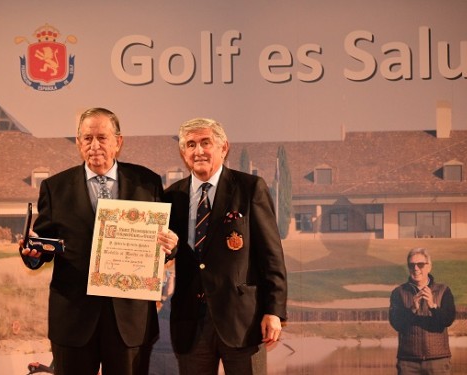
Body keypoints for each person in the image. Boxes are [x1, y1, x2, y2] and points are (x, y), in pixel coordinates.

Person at [20, 107, 178, 375]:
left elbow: (160, 246)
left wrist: (169, 247)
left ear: (119, 142)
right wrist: (33, 254)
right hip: (73, 319)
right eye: (86, 138)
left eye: (102, 138)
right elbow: (44, 245)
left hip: (129, 320)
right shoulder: (55, 187)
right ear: (79, 143)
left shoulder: (147, 182)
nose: (94, 146)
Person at [164, 117, 288, 375]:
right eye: (190, 144)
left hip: (243, 323)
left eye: (205, 142)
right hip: (190, 323)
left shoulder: (250, 188)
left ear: (224, 148)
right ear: (183, 153)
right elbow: (169, 252)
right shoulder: (171, 196)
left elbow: (271, 257)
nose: (198, 151)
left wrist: (274, 311)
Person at [389, 248, 456, 375]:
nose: (416, 268)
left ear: (429, 267)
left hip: (438, 361)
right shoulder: (398, 292)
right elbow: (396, 324)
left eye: (420, 264)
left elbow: (448, 320)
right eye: (411, 265)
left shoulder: (444, 290)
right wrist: (412, 309)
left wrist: (433, 306)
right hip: (408, 362)